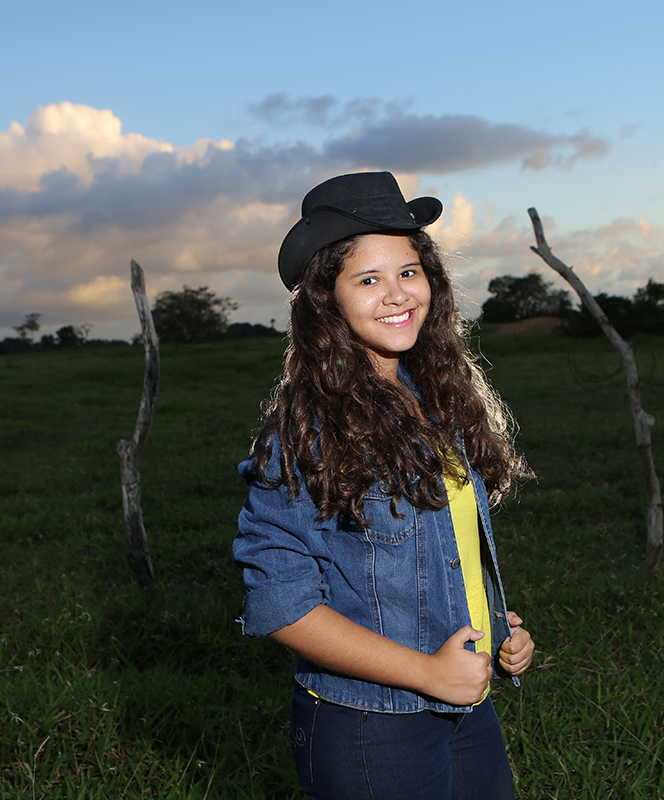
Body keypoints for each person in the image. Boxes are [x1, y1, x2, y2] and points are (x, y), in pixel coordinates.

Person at [233, 171, 535, 800]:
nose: (397, 295)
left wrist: (491, 623)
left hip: (465, 703)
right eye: (367, 279)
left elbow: (430, 553)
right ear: (328, 300)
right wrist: (427, 671)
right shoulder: (304, 430)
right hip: (371, 724)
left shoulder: (434, 398)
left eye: (408, 271)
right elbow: (280, 605)